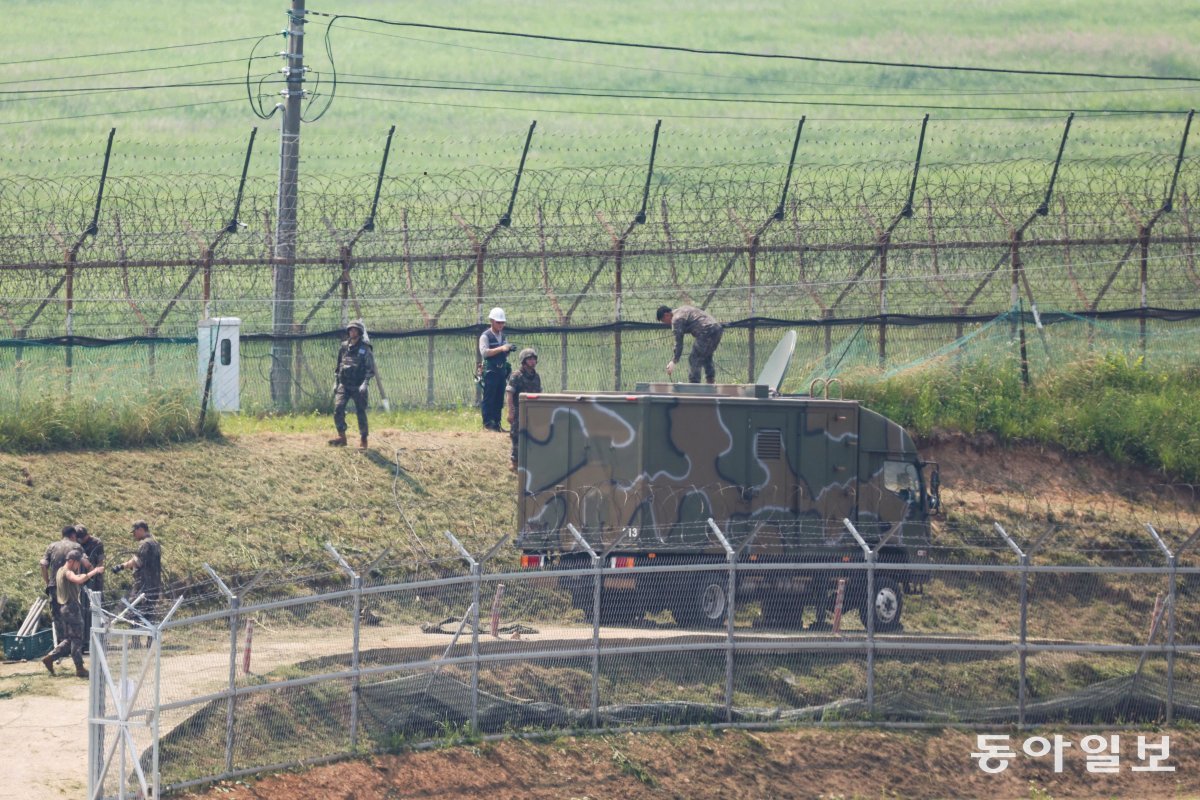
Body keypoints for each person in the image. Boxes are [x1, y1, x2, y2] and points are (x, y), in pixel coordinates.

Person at [41, 549, 103, 678]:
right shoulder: (68, 572)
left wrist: (85, 575)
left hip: (64, 608)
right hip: (72, 608)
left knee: (69, 639)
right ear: (72, 561)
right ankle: (79, 668)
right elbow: (78, 579)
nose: (78, 566)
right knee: (77, 639)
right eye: (78, 563)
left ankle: (50, 657)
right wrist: (94, 571)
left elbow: (78, 578)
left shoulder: (59, 571)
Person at [329, 319, 376, 449]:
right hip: (344, 384)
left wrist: (365, 384)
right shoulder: (344, 346)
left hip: (358, 385)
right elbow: (339, 366)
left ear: (360, 332)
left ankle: (363, 438)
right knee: (338, 408)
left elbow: (370, 369)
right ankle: (341, 436)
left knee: (360, 411)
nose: (352, 332)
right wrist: (336, 382)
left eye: (355, 330)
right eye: (350, 329)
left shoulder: (365, 349)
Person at [656, 305, 724, 384]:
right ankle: (710, 381)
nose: (666, 323)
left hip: (706, 330)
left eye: (664, 321)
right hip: (717, 328)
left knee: (694, 358)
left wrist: (674, 361)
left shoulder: (676, 319)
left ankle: (694, 385)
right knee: (706, 356)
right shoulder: (683, 309)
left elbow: (679, 342)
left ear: (666, 315)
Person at [39, 525, 84, 645]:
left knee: (57, 616)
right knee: (72, 616)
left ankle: (60, 645)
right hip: (70, 587)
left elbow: (43, 564)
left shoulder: (52, 546)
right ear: (73, 535)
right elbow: (82, 565)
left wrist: (48, 582)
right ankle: (72, 645)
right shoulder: (76, 547)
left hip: (54, 586)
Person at [478, 307, 515, 432]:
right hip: (490, 371)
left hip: (501, 371)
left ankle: (497, 424)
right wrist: (501, 348)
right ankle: (488, 424)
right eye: (498, 322)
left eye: (502, 322)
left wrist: (508, 349)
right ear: (491, 321)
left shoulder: (502, 336)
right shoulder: (485, 336)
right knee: (489, 398)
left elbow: (504, 353)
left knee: (499, 398)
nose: (501, 325)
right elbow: (485, 353)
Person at [119, 520, 162, 625]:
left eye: (135, 531)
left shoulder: (145, 544)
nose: (133, 535)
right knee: (149, 614)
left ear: (141, 530)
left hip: (143, 585)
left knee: (134, 612)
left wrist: (121, 566)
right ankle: (149, 639)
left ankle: (135, 640)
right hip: (154, 585)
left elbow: (137, 562)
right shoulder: (155, 543)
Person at [506, 347, 542, 471]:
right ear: (523, 361)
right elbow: (509, 394)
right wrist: (510, 411)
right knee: (516, 436)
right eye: (529, 359)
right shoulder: (516, 376)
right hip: (518, 412)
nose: (532, 361)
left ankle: (530, 461)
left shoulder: (536, 377)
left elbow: (539, 395)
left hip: (532, 412)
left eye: (534, 359)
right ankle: (515, 462)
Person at [76, 525, 104, 654]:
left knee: (95, 609)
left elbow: (101, 562)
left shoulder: (97, 543)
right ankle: (83, 641)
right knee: (83, 610)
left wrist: (95, 573)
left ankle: (98, 638)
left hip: (95, 581)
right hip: (81, 580)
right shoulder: (76, 544)